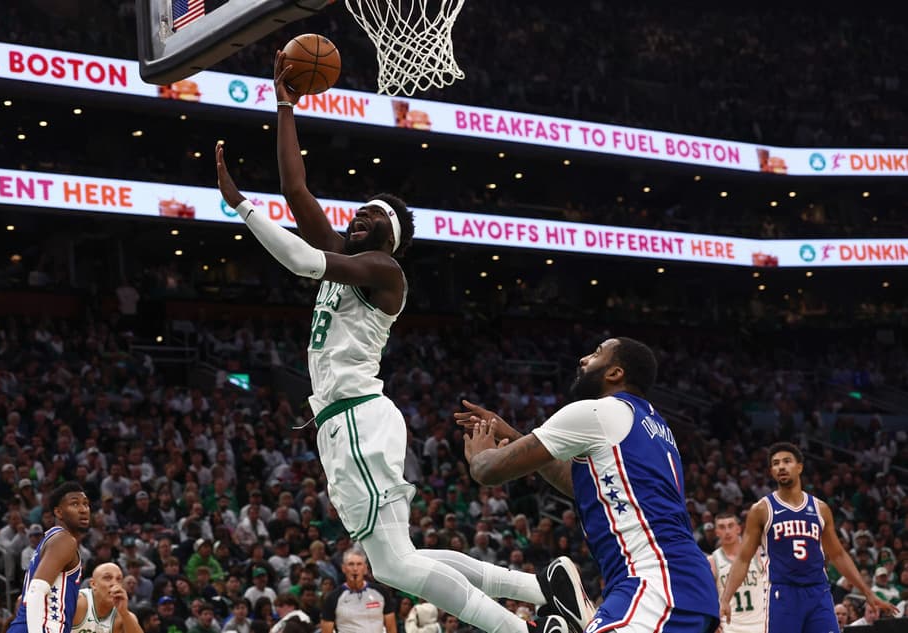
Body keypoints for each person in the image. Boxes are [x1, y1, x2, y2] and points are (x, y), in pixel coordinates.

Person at [211, 49, 572, 633]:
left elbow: (302, 260)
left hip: (356, 416)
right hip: (346, 421)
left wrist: (242, 207)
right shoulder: (348, 258)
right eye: (358, 212)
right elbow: (296, 188)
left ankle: (519, 628)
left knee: (396, 564)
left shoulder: (384, 270)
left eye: (373, 216)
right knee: (398, 559)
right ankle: (540, 590)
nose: (359, 217)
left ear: (392, 237)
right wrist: (284, 104)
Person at [459, 337, 720, 633]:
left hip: (656, 581)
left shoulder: (598, 412)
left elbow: (489, 472)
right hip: (678, 582)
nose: (583, 359)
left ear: (615, 373)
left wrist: (481, 453)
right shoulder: (652, 423)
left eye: (596, 354)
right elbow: (582, 485)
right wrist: (510, 434)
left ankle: (565, 609)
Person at [718, 442, 898, 633]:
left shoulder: (820, 508)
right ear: (771, 471)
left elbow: (838, 555)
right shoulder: (762, 509)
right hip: (783, 593)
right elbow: (744, 558)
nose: (781, 466)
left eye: (787, 461)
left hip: (818, 592)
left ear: (799, 467)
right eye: (776, 463)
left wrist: (867, 593)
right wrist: (726, 599)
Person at [7, 482, 90, 633]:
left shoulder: (51, 540)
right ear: (58, 512)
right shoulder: (64, 540)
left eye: (86, 504)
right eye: (75, 504)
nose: (83, 509)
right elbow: (36, 590)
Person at [707, 514, 766, 633]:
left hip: (760, 624)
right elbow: (706, 596)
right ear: (717, 532)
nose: (727, 531)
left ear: (738, 529)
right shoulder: (712, 561)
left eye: (730, 526)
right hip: (730, 627)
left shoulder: (757, 554)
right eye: (722, 527)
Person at [320, 549, 395, 633]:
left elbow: (391, 628)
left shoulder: (381, 592)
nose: (355, 569)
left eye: (359, 564)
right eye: (351, 564)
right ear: (343, 568)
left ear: (365, 568)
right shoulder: (333, 598)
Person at [71, 563, 144, 633]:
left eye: (118, 579)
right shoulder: (77, 602)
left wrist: (124, 613)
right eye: (107, 578)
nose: (114, 583)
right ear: (93, 584)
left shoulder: (123, 616)